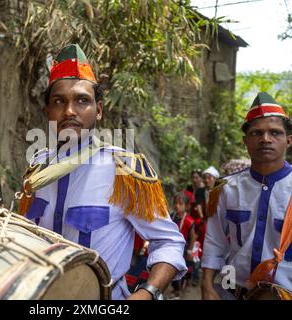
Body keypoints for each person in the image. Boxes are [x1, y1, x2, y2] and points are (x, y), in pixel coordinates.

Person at [18, 44, 187, 300]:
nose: (69, 111)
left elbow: (170, 242)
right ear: (48, 112)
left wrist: (148, 292)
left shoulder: (124, 171)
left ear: (98, 110)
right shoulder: (38, 168)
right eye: (58, 101)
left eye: (82, 100)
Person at [201, 92, 292, 300]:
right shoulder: (226, 188)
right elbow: (215, 242)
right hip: (232, 292)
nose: (265, 139)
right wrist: (207, 286)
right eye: (256, 133)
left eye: (275, 133)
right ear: (245, 141)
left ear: (288, 140)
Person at [170, 193, 198, 298]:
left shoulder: (189, 221)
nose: (177, 206)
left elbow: (193, 237)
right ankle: (176, 289)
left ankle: (185, 285)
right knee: (173, 269)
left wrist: (190, 251)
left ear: (186, 206)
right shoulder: (171, 217)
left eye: (180, 204)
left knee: (184, 269)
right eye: (175, 203)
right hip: (173, 248)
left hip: (184, 249)